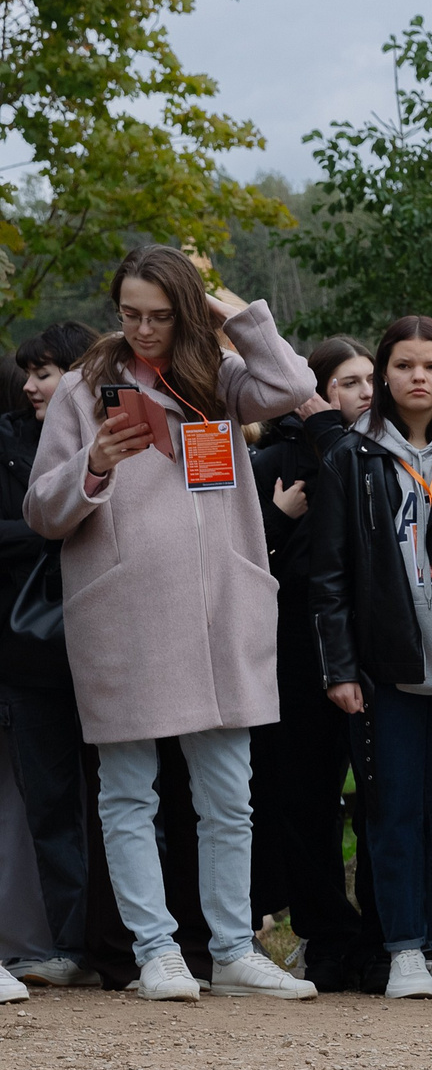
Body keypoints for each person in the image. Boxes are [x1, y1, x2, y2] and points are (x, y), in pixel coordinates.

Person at [23, 245, 319, 1002]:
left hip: (222, 608)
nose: (144, 329)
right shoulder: (85, 386)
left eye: (160, 314)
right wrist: (94, 463)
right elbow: (41, 510)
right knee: (128, 791)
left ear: (185, 311)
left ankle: (230, 949)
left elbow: (292, 384)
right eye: (130, 314)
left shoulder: (217, 376)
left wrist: (230, 311)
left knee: (229, 791)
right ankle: (155, 949)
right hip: (124, 612)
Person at [309, 317, 432, 1001]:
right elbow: (328, 575)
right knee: (391, 814)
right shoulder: (350, 458)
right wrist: (339, 666)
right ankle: (404, 948)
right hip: (385, 670)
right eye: (404, 365)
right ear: (383, 375)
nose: (419, 376)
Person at [251, 337, 376, 991]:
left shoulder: (384, 456)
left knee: (380, 796)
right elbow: (239, 561)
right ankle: (325, 937)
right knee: (304, 803)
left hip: (377, 648)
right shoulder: (271, 458)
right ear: (314, 395)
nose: (364, 392)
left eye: (369, 379)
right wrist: (278, 518)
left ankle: (381, 939)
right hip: (292, 650)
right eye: (348, 381)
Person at [0, 322, 100, 989]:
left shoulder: (127, 430)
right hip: (30, 647)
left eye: (46, 371)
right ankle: (69, 941)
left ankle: (122, 940)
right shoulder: (7, 440)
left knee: (121, 798)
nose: (33, 385)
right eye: (28, 372)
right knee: (53, 799)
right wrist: (55, 520)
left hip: (115, 647)